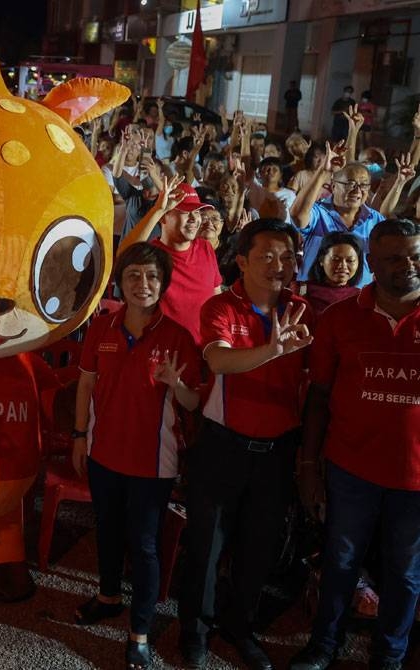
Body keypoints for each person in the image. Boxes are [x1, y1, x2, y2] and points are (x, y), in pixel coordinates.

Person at [178, 219, 313, 670]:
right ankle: (195, 631)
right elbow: (216, 359)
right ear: (241, 261)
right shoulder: (220, 306)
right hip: (223, 447)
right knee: (207, 546)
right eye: (268, 256)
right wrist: (272, 351)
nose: (281, 266)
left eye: (289, 257)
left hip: (276, 452)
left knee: (258, 547)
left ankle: (241, 627)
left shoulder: (301, 309)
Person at [290, 219, 420, 670]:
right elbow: (320, 397)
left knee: (404, 574)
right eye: (394, 258)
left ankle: (389, 657)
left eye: (415, 254)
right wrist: (308, 465)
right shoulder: (341, 318)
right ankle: (325, 645)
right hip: (351, 468)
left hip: (415, 476)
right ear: (371, 264)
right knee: (340, 563)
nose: (409, 265)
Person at [70, 243, 200, 670]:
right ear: (120, 283)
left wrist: (174, 384)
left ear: (162, 283)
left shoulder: (178, 337)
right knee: (106, 530)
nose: (142, 284)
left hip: (153, 463)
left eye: (150, 277)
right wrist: (79, 436)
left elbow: (194, 403)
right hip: (103, 452)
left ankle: (139, 631)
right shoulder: (101, 329)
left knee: (144, 546)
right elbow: (86, 387)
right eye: (133, 276)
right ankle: (108, 596)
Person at [121, 176, 221, 344]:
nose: (194, 219)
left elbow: (216, 297)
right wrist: (157, 210)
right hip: (164, 353)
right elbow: (124, 255)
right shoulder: (152, 255)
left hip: (204, 351)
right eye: (184, 212)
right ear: (164, 218)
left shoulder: (206, 249)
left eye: (196, 212)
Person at [291, 149, 385, 286]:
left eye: (364, 185)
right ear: (333, 186)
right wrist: (323, 171)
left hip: (357, 300)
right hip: (315, 297)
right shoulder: (318, 213)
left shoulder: (375, 219)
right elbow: (297, 216)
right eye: (350, 184)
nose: (357, 190)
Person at [298, 232, 364, 314]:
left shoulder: (361, 296)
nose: (342, 265)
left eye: (350, 261)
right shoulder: (303, 289)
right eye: (336, 259)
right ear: (321, 260)